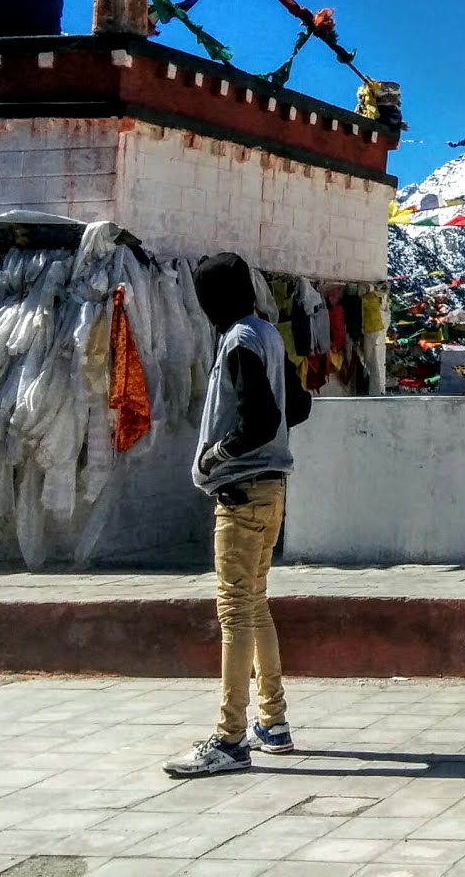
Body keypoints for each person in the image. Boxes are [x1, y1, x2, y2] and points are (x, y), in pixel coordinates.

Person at [163, 253, 311, 778]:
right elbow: (298, 407)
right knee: (254, 604)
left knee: (234, 612)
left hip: (241, 495)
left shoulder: (239, 341)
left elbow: (264, 418)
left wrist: (216, 454)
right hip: (271, 491)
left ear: (211, 301)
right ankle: (272, 721)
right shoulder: (267, 334)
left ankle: (229, 737)